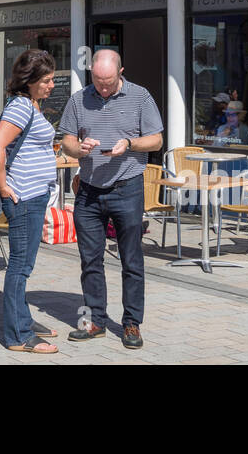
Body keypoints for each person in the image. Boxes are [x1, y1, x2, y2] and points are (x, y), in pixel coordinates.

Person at [59, 49, 163, 350]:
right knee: (90, 260)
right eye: (97, 80)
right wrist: (79, 148)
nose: (102, 87)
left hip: (127, 187)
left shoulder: (140, 96)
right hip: (89, 190)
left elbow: (156, 139)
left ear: (121, 72)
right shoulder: (79, 98)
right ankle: (94, 321)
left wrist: (129, 144)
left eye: (108, 81)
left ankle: (131, 323)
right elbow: (66, 139)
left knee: (131, 259)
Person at [0, 49, 61, 354]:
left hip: (35, 193)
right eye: (46, 80)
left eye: (52, 79)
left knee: (25, 264)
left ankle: (24, 319)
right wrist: (4, 187)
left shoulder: (32, 105)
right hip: (24, 197)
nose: (52, 85)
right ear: (29, 81)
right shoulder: (20, 107)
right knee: (20, 266)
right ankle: (18, 335)